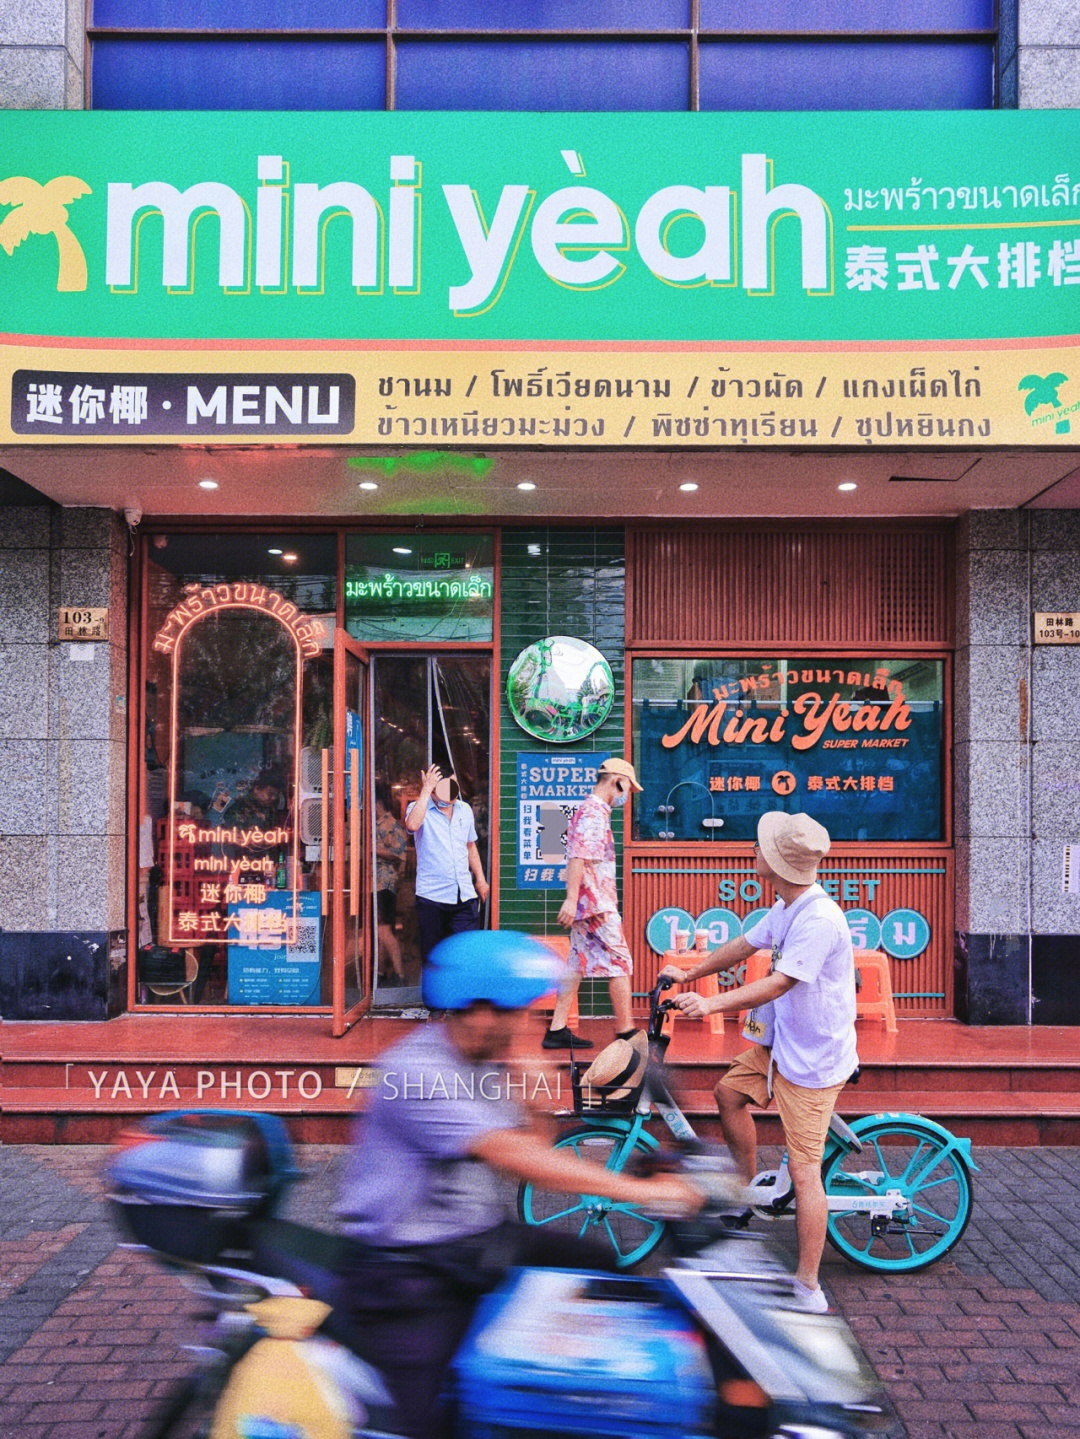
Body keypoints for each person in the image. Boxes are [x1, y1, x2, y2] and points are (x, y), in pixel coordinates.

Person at [336, 930, 703, 1439]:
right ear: (480, 1010)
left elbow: (535, 1144)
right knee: (425, 1425)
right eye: (520, 1012)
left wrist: (532, 1087)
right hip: (408, 1270)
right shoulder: (414, 1072)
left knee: (601, 1270)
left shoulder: (485, 1064)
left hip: (476, 1241)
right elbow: (516, 1157)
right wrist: (648, 1193)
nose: (529, 1022)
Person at [661, 810, 857, 1314]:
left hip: (813, 1059)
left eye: (759, 848)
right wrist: (690, 974)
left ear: (774, 864)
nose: (752, 851)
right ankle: (746, 1197)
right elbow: (743, 945)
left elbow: (778, 983)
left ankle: (809, 1287)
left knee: (805, 1169)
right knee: (728, 1094)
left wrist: (709, 1004)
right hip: (781, 1041)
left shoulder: (818, 918)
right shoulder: (787, 905)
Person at [544, 757, 642, 1051]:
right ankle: (626, 1031)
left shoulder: (593, 810)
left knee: (575, 963)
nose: (627, 796)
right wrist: (572, 900)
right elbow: (578, 857)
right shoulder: (594, 813)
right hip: (596, 904)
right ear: (618, 781)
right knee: (621, 961)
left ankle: (556, 1029)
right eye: (628, 788)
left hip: (590, 901)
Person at [405, 764, 489, 964]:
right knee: (434, 958)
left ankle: (464, 995)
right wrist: (425, 791)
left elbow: (470, 846)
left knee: (466, 956)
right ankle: (435, 997)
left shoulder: (464, 809)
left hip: (464, 895)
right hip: (432, 897)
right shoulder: (418, 809)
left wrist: (481, 879)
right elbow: (412, 825)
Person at [374, 784, 409, 982]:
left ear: (377, 804)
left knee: (384, 930)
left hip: (384, 883)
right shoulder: (379, 824)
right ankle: (380, 974)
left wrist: (373, 849)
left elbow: (399, 853)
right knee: (381, 931)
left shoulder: (391, 825)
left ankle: (400, 973)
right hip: (378, 882)